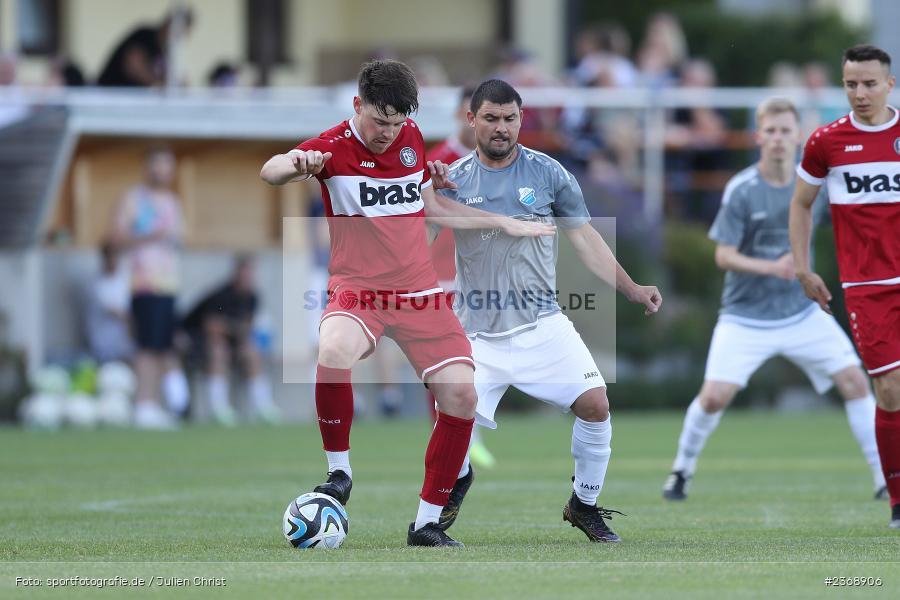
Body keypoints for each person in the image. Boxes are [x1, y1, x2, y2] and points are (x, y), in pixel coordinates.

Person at [259, 60, 555, 547]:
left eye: (397, 123)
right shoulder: (331, 146)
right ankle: (339, 474)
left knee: (462, 395)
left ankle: (427, 524)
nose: (388, 133)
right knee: (332, 350)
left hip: (418, 292)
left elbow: (430, 204)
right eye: (379, 121)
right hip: (359, 289)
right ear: (358, 106)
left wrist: (498, 221)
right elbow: (269, 172)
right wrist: (296, 165)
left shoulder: (412, 137)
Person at [431, 79, 662, 543]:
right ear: (471, 119)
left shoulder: (549, 173)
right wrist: (428, 201)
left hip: (542, 323)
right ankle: (455, 483)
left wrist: (632, 287)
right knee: (451, 425)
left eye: (510, 118)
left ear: (521, 120)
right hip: (476, 331)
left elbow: (585, 238)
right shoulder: (451, 179)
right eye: (491, 118)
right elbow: (415, 242)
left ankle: (584, 505)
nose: (501, 128)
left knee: (596, 405)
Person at [663, 98, 885, 502]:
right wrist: (773, 267)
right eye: (771, 131)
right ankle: (681, 470)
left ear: (799, 136)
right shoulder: (743, 188)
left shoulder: (815, 185)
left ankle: (882, 476)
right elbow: (722, 255)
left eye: (786, 130)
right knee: (713, 397)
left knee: (855, 381)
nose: (779, 139)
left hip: (801, 313)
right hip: (745, 318)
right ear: (758, 136)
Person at [789, 45, 900, 529]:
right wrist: (803, 267)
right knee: (891, 390)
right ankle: (898, 500)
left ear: (889, 85)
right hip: (868, 287)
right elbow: (800, 205)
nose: (860, 93)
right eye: (851, 84)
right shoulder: (826, 142)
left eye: (869, 83)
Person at [426, 84, 495, 469]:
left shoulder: (495, 164)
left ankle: (467, 436)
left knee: (475, 359)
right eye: (480, 116)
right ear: (462, 117)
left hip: (478, 280)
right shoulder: (439, 163)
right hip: (440, 280)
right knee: (447, 362)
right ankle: (461, 439)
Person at [112, 146, 189, 429]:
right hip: (143, 282)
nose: (164, 171)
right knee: (146, 346)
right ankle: (143, 404)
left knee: (163, 347)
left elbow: (180, 237)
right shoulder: (133, 199)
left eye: (168, 166)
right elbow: (117, 238)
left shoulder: (172, 200)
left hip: (168, 284)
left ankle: (155, 404)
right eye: (159, 165)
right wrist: (149, 235)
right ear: (148, 167)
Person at [182, 255, 280, 425]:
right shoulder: (221, 295)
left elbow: (247, 327)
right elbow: (211, 326)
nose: (248, 277)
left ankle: (263, 406)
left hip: (231, 343)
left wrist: (241, 336)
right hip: (195, 343)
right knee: (219, 350)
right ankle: (219, 408)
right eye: (245, 273)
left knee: (251, 351)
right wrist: (235, 329)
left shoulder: (252, 297)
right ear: (236, 273)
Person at [97, 7, 193, 87]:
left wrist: (176, 83)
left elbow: (166, 76)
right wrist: (158, 84)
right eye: (181, 30)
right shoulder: (146, 36)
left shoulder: (166, 49)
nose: (181, 36)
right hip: (110, 94)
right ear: (169, 23)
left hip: (131, 101)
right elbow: (133, 67)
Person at [84, 241, 134, 364]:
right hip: (104, 345)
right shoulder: (96, 283)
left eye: (116, 256)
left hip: (125, 344)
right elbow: (114, 312)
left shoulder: (125, 278)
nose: (114, 261)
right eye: (111, 257)